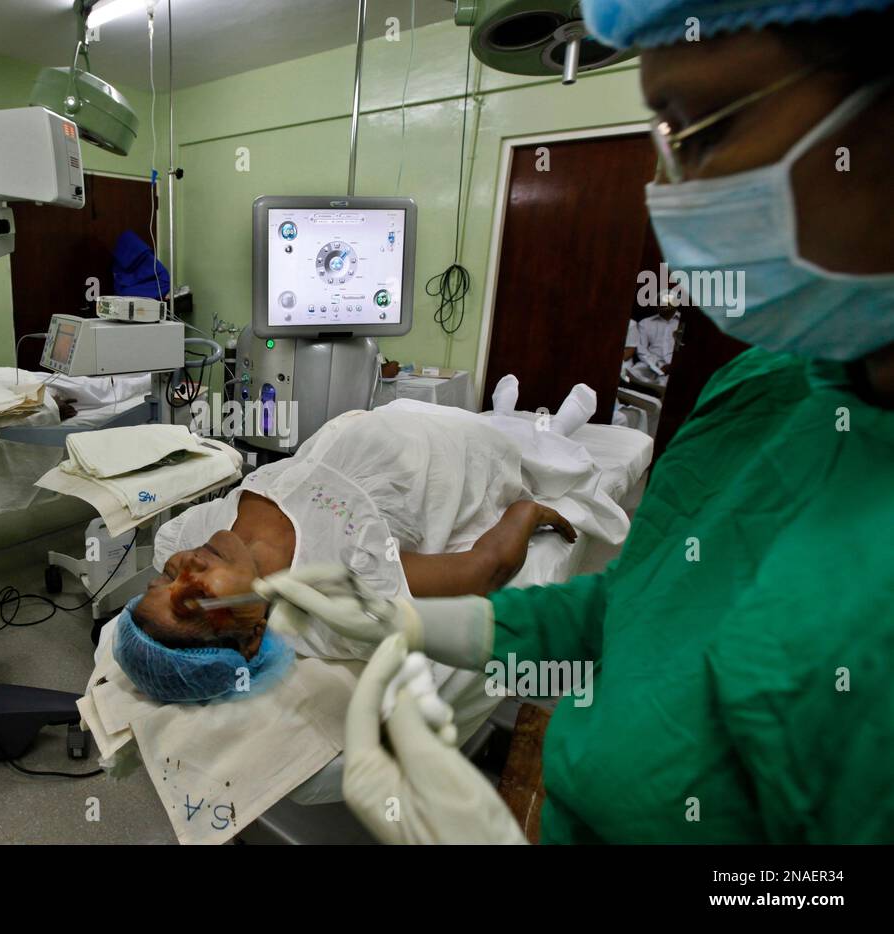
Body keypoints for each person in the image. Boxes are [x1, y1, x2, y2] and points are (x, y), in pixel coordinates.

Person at [268, 0, 894, 844]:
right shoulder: (771, 387)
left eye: (698, 129)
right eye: (662, 140)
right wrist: (415, 621)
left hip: (477, 444)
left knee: (517, 437)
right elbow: (635, 610)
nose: (670, 193)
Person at [127, 403, 578, 667]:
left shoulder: (190, 533)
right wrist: (526, 511)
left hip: (385, 415)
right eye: (194, 597)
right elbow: (483, 571)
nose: (184, 568)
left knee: (507, 418)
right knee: (531, 443)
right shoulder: (344, 574)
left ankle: (518, 413)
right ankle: (554, 426)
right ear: (252, 635)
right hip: (453, 454)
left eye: (164, 579)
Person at [632, 302, 680, 383]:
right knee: (634, 373)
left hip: (676, 368)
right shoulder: (645, 322)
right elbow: (641, 350)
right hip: (650, 364)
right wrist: (658, 364)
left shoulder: (685, 323)